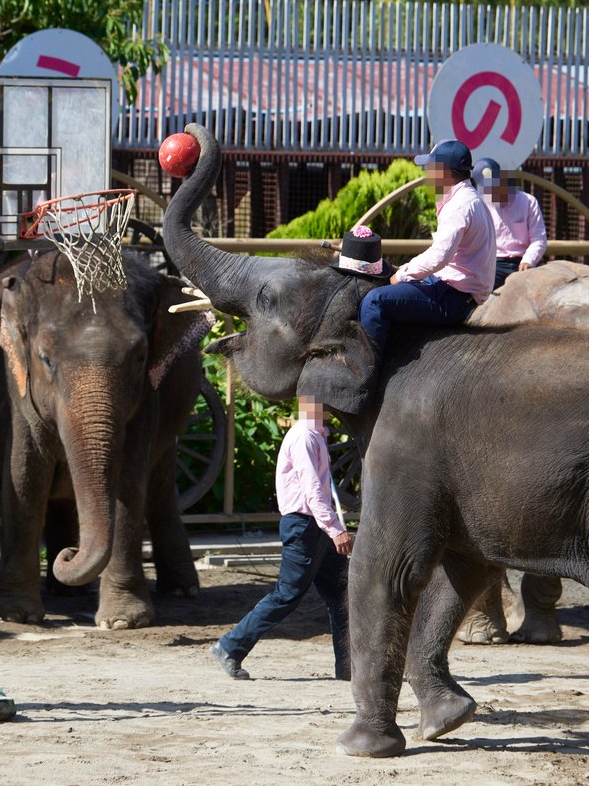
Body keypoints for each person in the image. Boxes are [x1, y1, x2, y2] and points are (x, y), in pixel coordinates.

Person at [211, 396, 352, 681]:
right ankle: (230, 645)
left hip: (314, 526)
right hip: (305, 525)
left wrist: (331, 526)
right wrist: (334, 528)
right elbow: (313, 489)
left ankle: (349, 668)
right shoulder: (304, 437)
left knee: (342, 596)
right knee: (287, 595)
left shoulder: (315, 435)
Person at [356, 140, 496, 355]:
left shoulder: (460, 205)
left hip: (454, 296)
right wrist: (407, 269)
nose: (428, 172)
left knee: (374, 301)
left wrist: (402, 275)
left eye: (432, 167)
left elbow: (440, 257)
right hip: (455, 289)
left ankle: (364, 377)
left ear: (445, 172)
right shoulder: (469, 198)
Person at [472, 157, 548, 289]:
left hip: (522, 262)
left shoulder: (528, 202)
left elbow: (539, 239)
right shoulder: (480, 205)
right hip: (491, 264)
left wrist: (528, 260)